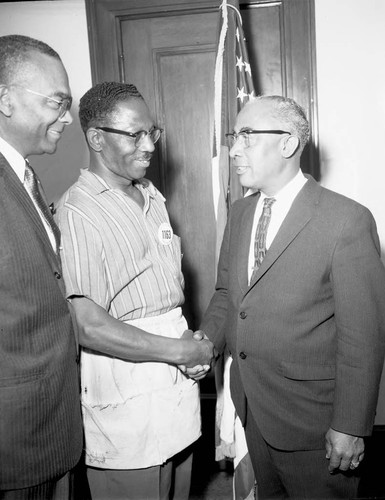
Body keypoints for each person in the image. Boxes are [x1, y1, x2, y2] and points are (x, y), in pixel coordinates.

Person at [200, 95, 385, 499]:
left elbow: (363, 339)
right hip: (251, 408)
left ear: (287, 143)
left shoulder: (346, 221)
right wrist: (204, 343)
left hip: (313, 425)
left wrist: (351, 426)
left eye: (246, 137)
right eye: (236, 137)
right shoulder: (241, 214)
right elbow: (227, 294)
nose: (233, 150)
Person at [55, 81, 214, 500]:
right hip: (124, 395)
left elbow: (163, 295)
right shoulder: (78, 211)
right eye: (134, 134)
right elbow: (88, 327)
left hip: (173, 389)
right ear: (96, 138)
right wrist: (179, 352)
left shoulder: (150, 196)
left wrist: (188, 343)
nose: (149, 146)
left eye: (152, 133)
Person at [0, 35, 83, 498]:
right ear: (5, 99)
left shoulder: (24, 175)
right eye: (57, 102)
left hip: (50, 426)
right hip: (12, 442)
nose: (67, 117)